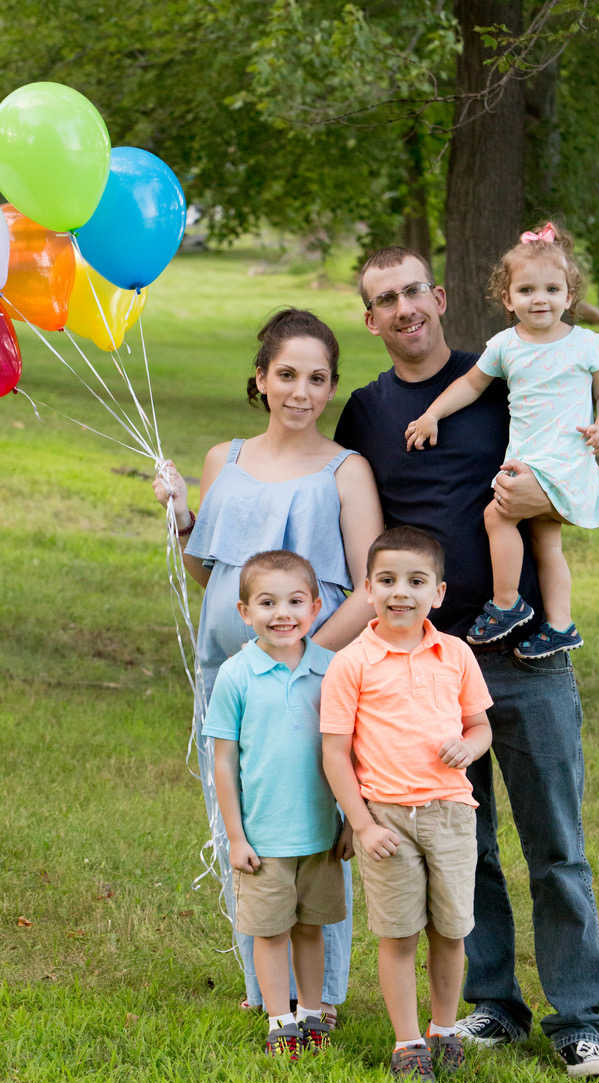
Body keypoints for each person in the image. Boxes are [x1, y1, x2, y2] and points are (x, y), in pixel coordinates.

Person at [333, 245, 599, 1081]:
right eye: (383, 300)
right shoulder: (364, 411)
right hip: (420, 661)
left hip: (519, 649)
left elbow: (575, 447)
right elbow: (351, 518)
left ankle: (578, 1021)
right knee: (471, 845)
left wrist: (548, 494)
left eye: (412, 291)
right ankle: (492, 1003)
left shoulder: (505, 371)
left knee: (554, 843)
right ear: (371, 317)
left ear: (440, 295)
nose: (402, 309)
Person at [153, 308, 383, 1019]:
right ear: (260, 379)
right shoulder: (226, 458)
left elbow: (372, 587)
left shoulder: (345, 471)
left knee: (308, 828)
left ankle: (320, 996)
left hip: (311, 682)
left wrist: (302, 659)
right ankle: (267, 989)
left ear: (330, 387)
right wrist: (183, 514)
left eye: (317, 378)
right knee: (240, 824)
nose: (301, 391)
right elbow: (208, 575)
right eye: (286, 374)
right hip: (227, 674)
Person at [321, 526, 492, 1083]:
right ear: (368, 589)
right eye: (388, 580)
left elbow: (479, 725)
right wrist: (362, 824)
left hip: (449, 811)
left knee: (450, 929)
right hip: (387, 819)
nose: (402, 592)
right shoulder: (352, 662)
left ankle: (444, 1029)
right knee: (398, 934)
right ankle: (408, 1041)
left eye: (416, 581)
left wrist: (469, 747)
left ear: (438, 593)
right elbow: (335, 752)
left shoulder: (456, 654)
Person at [405, 221, 599, 658]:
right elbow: (469, 385)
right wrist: (431, 414)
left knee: (497, 516)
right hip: (529, 459)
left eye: (551, 289)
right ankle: (561, 625)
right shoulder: (507, 345)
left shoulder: (585, 345)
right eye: (526, 291)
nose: (539, 299)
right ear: (507, 299)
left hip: (564, 460)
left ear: (569, 295)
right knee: (546, 542)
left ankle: (506, 604)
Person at [203, 550, 346, 1058]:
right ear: (244, 612)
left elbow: (351, 752)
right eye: (267, 602)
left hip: (321, 833)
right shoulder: (237, 675)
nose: (281, 613)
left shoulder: (332, 671)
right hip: (263, 838)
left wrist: (352, 819)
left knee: (311, 929)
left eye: (294, 601)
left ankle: (312, 1014)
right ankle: (279, 1020)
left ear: (316, 606)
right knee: (270, 932)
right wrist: (236, 836)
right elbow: (223, 761)